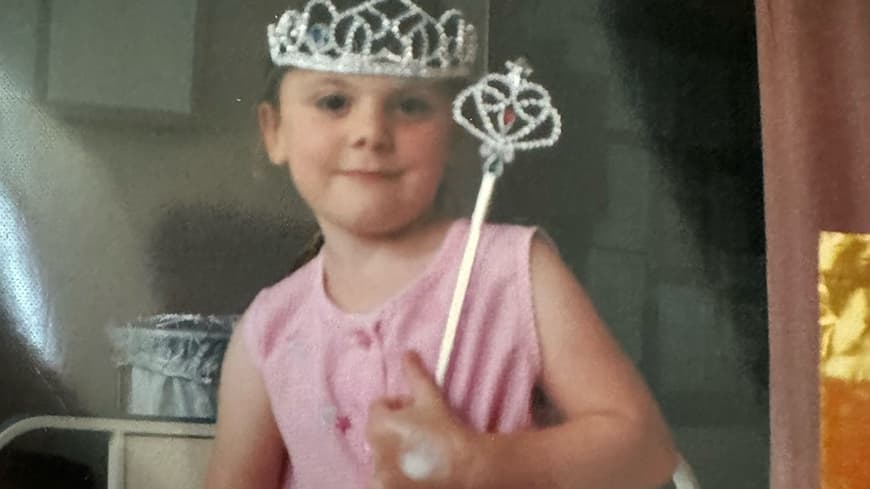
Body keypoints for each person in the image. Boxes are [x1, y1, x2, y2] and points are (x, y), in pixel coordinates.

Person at [205, 1, 679, 487]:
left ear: (452, 133)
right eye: (333, 102)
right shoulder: (268, 332)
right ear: (274, 130)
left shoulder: (512, 272)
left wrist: (477, 463)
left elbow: (646, 450)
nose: (371, 132)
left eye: (410, 105)